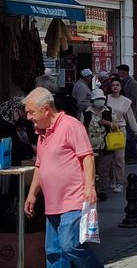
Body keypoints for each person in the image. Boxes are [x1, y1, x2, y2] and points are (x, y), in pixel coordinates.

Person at [23, 88, 103, 267]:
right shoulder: (41, 132)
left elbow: (87, 156)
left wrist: (90, 187)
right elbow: (39, 165)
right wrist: (32, 194)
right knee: (54, 252)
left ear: (46, 109)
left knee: (70, 245)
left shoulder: (70, 125)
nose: (28, 117)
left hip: (73, 200)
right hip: (53, 203)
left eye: (31, 112)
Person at [106, 78, 137, 193]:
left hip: (120, 130)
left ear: (121, 87)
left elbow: (130, 117)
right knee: (109, 159)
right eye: (113, 85)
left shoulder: (125, 101)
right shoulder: (106, 99)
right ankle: (111, 180)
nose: (115, 87)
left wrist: (135, 130)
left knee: (119, 158)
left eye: (117, 85)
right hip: (108, 130)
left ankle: (119, 181)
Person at [82, 89, 113, 201]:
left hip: (105, 145)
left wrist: (107, 123)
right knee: (91, 169)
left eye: (102, 99)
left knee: (103, 168)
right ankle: (93, 189)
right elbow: (82, 127)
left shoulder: (108, 111)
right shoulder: (86, 112)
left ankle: (102, 190)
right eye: (97, 99)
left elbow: (116, 124)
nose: (100, 101)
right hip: (90, 145)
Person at [116, 64, 137, 164]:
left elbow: (134, 98)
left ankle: (132, 156)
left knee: (130, 136)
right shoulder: (122, 82)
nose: (118, 73)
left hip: (130, 113)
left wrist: (122, 101)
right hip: (123, 113)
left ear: (124, 72)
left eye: (120, 71)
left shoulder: (132, 83)